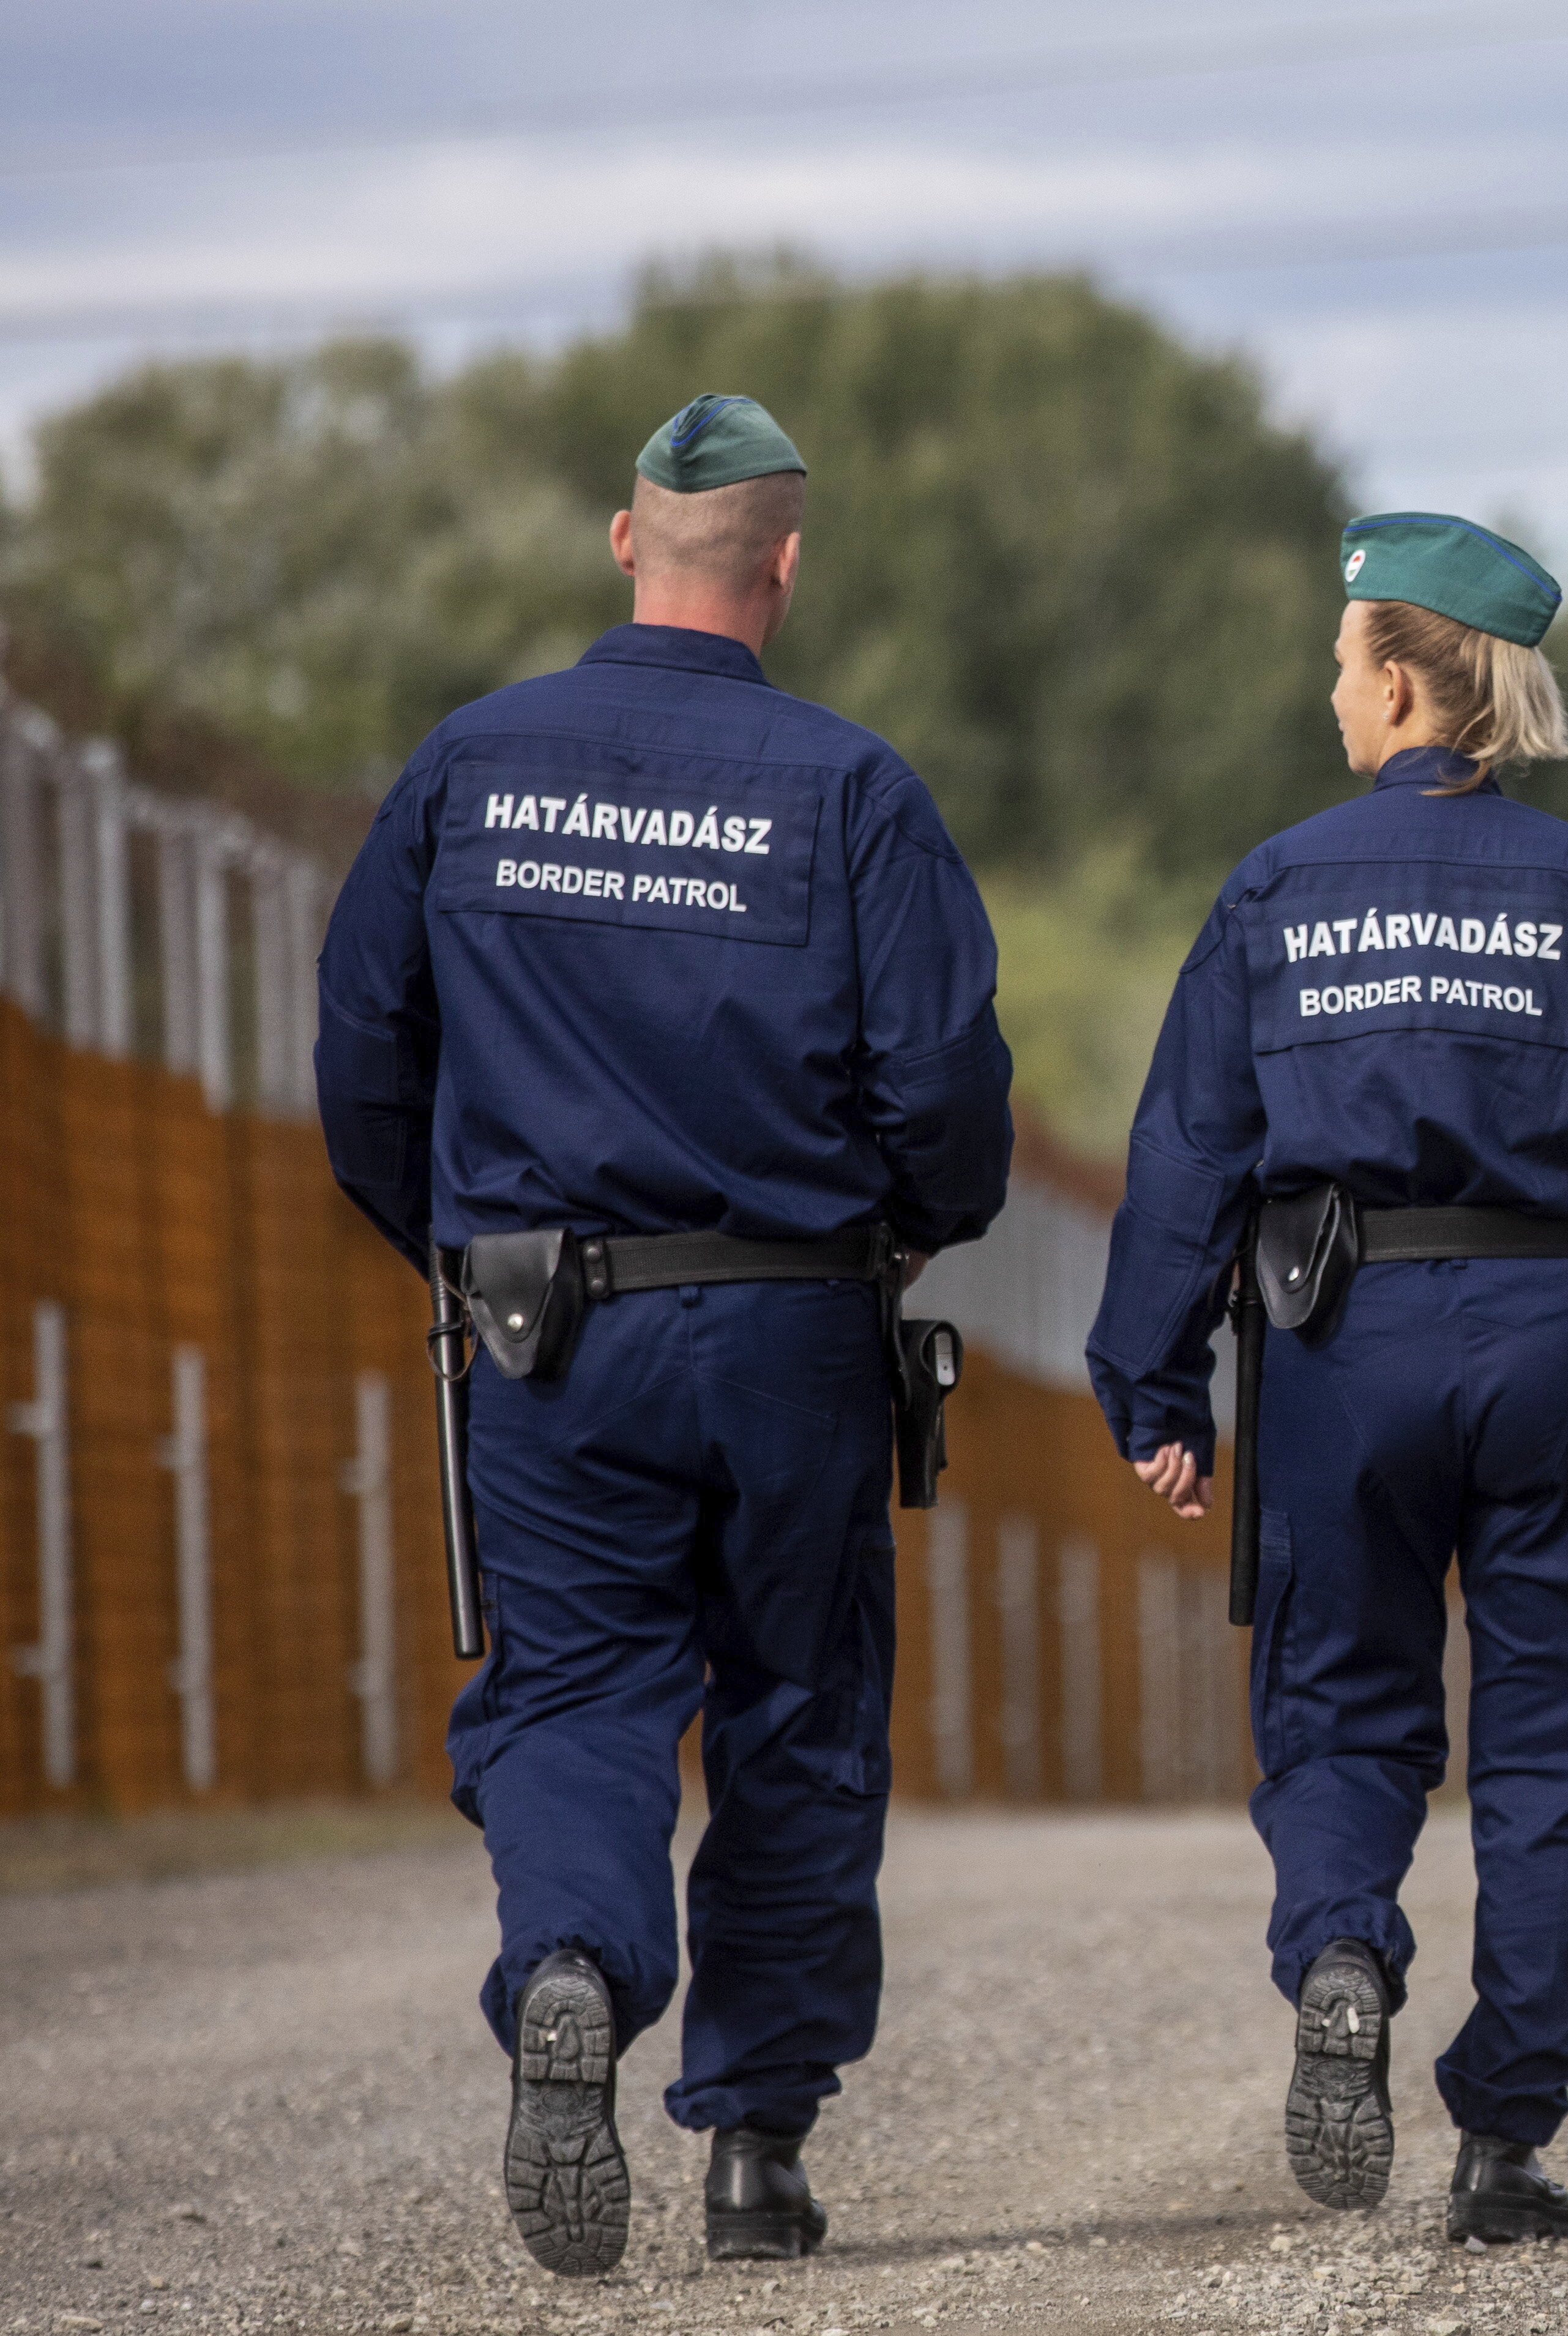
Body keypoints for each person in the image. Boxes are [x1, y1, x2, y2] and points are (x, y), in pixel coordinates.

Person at [314, 394, 1015, 2279]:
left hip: (548, 1328)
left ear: (625, 542)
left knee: (576, 1692)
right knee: (796, 1712)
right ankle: (758, 2152)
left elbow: (364, 1056)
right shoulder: (856, 789)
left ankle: (567, 1966)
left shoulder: (470, 764)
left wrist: (457, 1249)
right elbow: (944, 1088)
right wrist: (907, 1225)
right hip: (795, 1329)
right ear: (786, 568)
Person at [1087, 512, 1568, 2241]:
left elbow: (1187, 1156)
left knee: (1341, 1699)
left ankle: (1342, 1939)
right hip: (1551, 1337)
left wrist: (1152, 1386)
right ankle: (1505, 2132)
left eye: (1342, 661)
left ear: (1402, 678)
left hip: (1341, 1345)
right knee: (1556, 1735)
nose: (1331, 691)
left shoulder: (1276, 885)